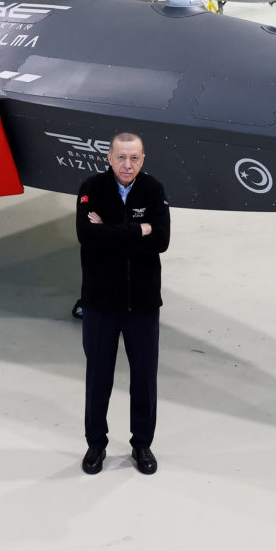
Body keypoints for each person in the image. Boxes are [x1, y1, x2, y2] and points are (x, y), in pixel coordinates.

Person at [76, 131, 170, 476]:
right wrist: (138, 229)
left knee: (144, 379)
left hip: (142, 305)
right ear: (109, 158)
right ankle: (95, 444)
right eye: (121, 157)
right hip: (100, 304)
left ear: (143, 159)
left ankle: (142, 444)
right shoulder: (91, 188)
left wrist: (110, 231)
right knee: (98, 378)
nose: (127, 164)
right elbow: (87, 236)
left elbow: (161, 240)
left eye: (134, 158)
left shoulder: (153, 189)